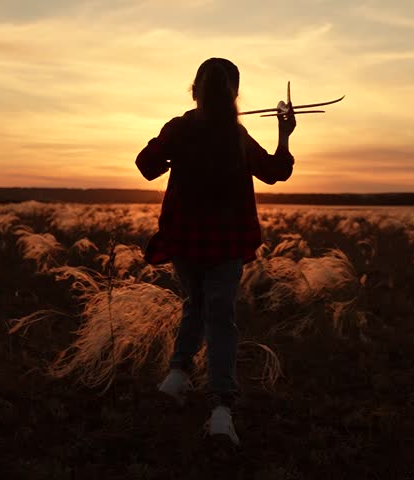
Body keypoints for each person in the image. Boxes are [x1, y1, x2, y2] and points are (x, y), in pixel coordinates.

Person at [135, 57, 296, 447]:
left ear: (194, 89)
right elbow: (277, 171)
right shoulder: (236, 135)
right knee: (220, 317)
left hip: (185, 238)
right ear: (235, 93)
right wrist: (285, 131)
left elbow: (146, 166)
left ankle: (176, 377)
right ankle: (221, 410)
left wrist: (174, 151)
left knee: (195, 303)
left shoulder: (178, 128)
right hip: (225, 242)